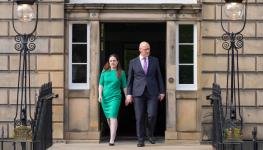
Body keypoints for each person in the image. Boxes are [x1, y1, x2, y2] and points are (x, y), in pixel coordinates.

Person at [126, 41, 165, 147]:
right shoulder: (133, 62)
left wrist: (162, 91)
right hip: (138, 93)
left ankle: (150, 133)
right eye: (146, 49)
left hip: (152, 92)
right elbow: (130, 79)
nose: (148, 51)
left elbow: (159, 76)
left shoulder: (155, 60)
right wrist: (129, 94)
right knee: (139, 117)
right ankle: (140, 140)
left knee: (152, 115)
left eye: (149, 49)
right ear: (140, 49)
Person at [98, 54, 127, 146]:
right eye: (111, 61)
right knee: (108, 118)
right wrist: (100, 95)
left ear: (117, 62)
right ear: (109, 62)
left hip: (115, 97)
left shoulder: (121, 73)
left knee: (113, 116)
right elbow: (101, 85)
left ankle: (111, 140)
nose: (112, 62)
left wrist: (127, 96)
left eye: (114, 60)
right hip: (105, 98)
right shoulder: (104, 72)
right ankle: (113, 133)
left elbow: (124, 86)